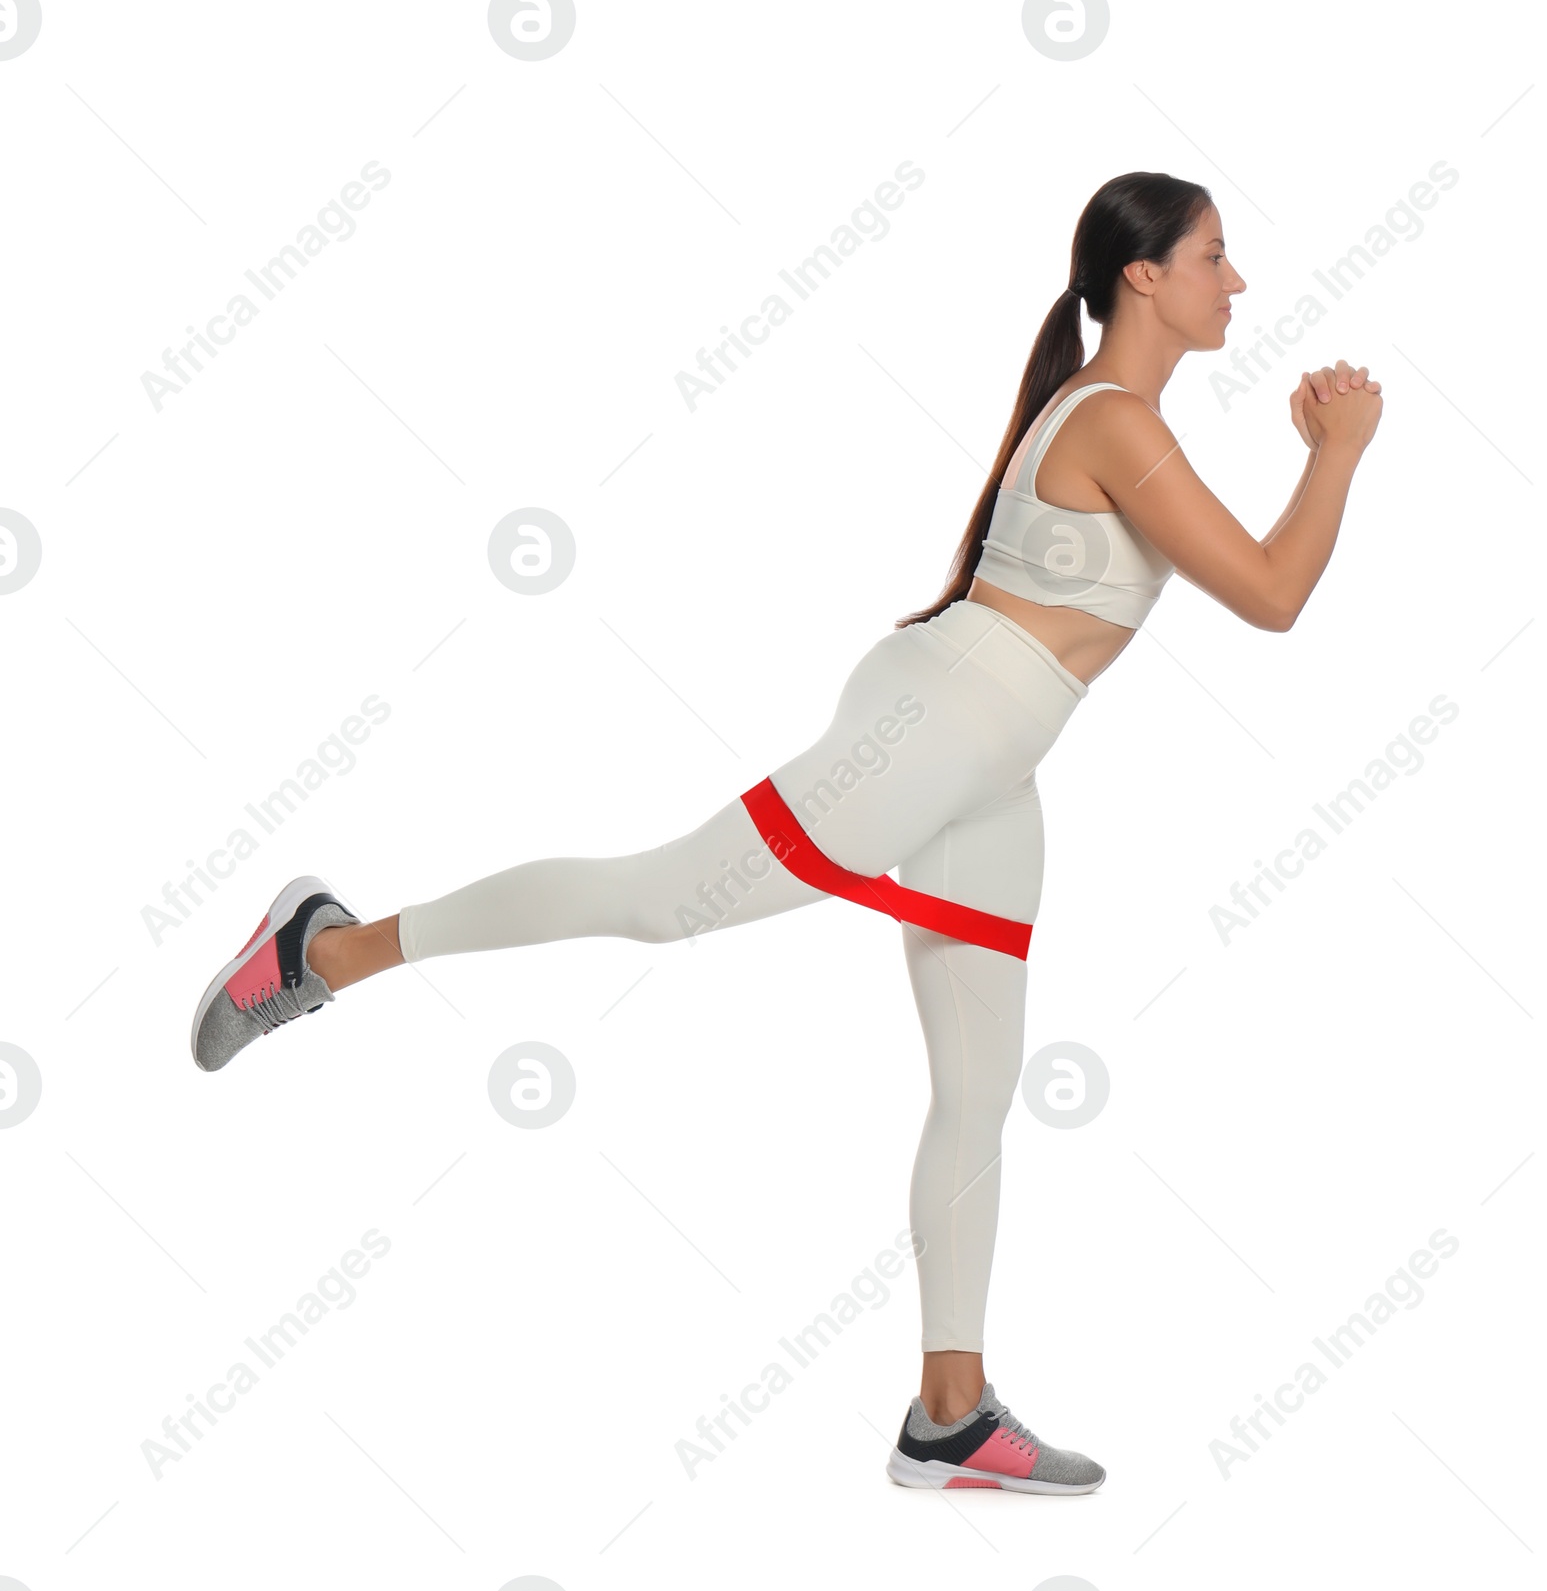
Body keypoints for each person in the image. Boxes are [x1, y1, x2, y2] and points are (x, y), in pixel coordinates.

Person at [190, 171, 1383, 1495]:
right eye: (1219, 256)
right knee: (662, 898)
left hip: (992, 763)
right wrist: (1337, 452)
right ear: (1145, 277)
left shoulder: (1122, 420)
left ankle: (952, 1414)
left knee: (981, 1090)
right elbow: (1273, 595)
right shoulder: (1115, 422)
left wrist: (1320, 458)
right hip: (938, 731)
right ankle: (328, 949)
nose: (1241, 281)